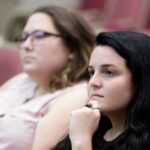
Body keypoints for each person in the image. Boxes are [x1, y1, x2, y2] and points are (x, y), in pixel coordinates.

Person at [0, 5, 95, 150]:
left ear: (71, 47)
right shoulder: (22, 80)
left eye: (38, 36)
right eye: (23, 37)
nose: (26, 45)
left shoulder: (78, 95)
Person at [55, 31, 150, 150]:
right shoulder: (88, 128)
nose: (93, 82)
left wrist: (81, 141)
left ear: (141, 79)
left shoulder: (83, 134)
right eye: (92, 72)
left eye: (109, 72)